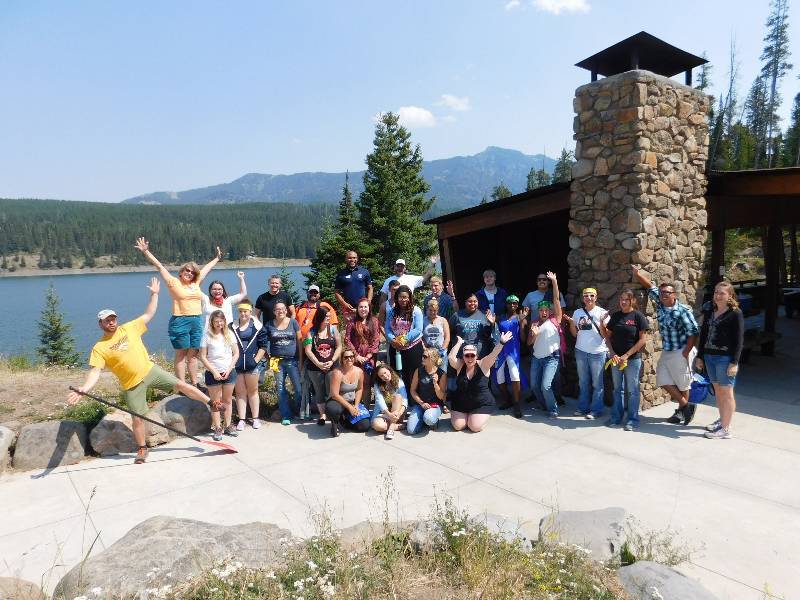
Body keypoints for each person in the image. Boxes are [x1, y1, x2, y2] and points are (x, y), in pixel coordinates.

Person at [67, 277, 211, 464]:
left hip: (150, 371)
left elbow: (149, 313)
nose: (111, 322)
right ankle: (142, 448)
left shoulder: (129, 328)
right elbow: (95, 371)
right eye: (106, 321)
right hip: (132, 385)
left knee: (181, 384)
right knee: (138, 418)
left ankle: (212, 403)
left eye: (113, 319)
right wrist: (85, 388)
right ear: (100, 324)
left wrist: (154, 294)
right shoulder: (99, 347)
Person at [134, 237, 221, 386]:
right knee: (181, 354)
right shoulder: (173, 282)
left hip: (196, 321)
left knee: (193, 355)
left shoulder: (196, 283)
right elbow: (159, 266)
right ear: (181, 272)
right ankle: (182, 385)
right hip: (180, 320)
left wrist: (217, 258)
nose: (190, 273)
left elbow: (206, 269)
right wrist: (146, 251)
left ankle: (194, 383)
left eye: (193, 272)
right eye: (187, 270)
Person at [632, 266, 699, 425]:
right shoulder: (661, 302)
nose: (663, 295)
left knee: (682, 383)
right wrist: (637, 274)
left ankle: (681, 414)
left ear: (674, 294)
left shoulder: (683, 311)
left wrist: (686, 351)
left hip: (681, 350)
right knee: (662, 379)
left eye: (667, 293)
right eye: (662, 293)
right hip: (668, 349)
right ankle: (686, 406)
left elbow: (693, 332)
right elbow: (650, 286)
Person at [696, 281, 744, 440]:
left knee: (727, 393)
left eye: (722, 293)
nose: (718, 295)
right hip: (709, 357)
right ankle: (722, 420)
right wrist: (700, 356)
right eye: (716, 292)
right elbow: (703, 336)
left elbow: (739, 340)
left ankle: (725, 429)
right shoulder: (710, 310)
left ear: (730, 295)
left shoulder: (735, 313)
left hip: (725, 358)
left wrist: (734, 362)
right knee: (718, 392)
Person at [601, 290, 649, 431]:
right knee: (617, 389)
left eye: (626, 300)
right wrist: (613, 353)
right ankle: (616, 417)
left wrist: (626, 355)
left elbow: (642, 341)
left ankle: (632, 419)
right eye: (621, 299)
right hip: (616, 359)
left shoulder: (638, 317)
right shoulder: (616, 316)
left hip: (632, 360)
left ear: (632, 300)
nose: (623, 302)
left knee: (632, 390)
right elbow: (607, 336)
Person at [448, 330, 514, 432]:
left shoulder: (483, 364)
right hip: (461, 403)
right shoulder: (460, 365)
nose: (469, 358)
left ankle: (476, 417)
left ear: (476, 356)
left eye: (472, 355)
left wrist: (501, 343)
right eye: (467, 355)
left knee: (474, 427)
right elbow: (451, 357)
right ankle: (468, 415)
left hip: (481, 404)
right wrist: (459, 343)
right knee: (458, 426)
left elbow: (493, 355)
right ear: (463, 357)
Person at [296, 284, 340, 416]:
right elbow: (296, 327)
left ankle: (332, 410)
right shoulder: (300, 308)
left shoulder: (325, 307)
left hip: (326, 351)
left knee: (330, 386)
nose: (313, 295)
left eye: (316, 293)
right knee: (309, 381)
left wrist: (332, 360)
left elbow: (337, 339)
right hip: (305, 348)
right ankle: (310, 410)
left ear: (319, 294)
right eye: (311, 292)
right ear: (307, 293)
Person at [527, 272, 565, 418]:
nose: (543, 312)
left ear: (549, 311)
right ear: (538, 311)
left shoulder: (556, 320)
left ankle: (553, 409)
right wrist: (533, 335)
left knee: (545, 386)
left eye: (546, 310)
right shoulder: (534, 324)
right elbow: (529, 343)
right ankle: (544, 405)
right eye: (541, 310)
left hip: (551, 358)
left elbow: (556, 299)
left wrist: (554, 281)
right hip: (537, 357)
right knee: (535, 386)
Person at [569, 287, 609, 420]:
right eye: (586, 296)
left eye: (591, 295)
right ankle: (583, 408)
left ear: (596, 297)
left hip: (598, 352)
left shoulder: (602, 313)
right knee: (583, 382)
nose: (589, 298)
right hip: (580, 351)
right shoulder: (577, 312)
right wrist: (570, 323)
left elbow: (606, 335)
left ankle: (596, 410)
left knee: (597, 384)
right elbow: (574, 333)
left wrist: (603, 322)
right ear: (583, 298)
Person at [199, 310, 240, 440]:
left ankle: (228, 426)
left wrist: (230, 368)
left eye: (221, 321)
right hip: (213, 373)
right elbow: (203, 357)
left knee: (227, 400)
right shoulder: (207, 336)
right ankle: (217, 427)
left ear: (224, 321)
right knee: (216, 402)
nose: (219, 324)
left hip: (229, 372)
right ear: (211, 322)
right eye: (216, 321)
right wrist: (214, 371)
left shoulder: (230, 334)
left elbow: (236, 353)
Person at [230, 298, 267, 430]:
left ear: (250, 311)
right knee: (240, 393)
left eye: (245, 311)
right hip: (238, 365)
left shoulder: (258, 327)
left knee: (253, 391)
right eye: (240, 311)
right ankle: (242, 419)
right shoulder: (232, 327)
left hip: (253, 365)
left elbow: (263, 346)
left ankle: (256, 418)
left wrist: (255, 360)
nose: (243, 314)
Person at [265, 301, 303, 425]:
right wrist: (268, 358)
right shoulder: (269, 324)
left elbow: (300, 341)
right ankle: (286, 415)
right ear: (274, 312)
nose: (280, 311)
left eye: (282, 309)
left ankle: (298, 411)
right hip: (276, 360)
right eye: (277, 309)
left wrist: (301, 360)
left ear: (286, 310)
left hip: (292, 359)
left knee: (298, 388)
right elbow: (263, 343)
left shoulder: (293, 322)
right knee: (280, 388)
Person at [304, 306, 341, 425]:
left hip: (332, 366)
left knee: (332, 391)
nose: (328, 320)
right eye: (326, 318)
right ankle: (322, 415)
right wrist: (318, 364)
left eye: (329, 317)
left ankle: (333, 412)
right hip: (315, 368)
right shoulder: (311, 332)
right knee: (319, 391)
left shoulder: (334, 330)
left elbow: (339, 346)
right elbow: (308, 350)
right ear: (320, 317)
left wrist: (333, 360)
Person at [385, 285, 424, 393]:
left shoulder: (416, 311)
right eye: (401, 297)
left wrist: (403, 340)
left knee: (412, 375)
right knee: (396, 375)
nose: (403, 299)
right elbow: (387, 328)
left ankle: (414, 401)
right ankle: (400, 400)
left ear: (409, 297)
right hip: (395, 347)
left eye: (405, 297)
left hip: (413, 348)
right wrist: (393, 340)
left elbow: (418, 329)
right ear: (397, 298)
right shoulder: (392, 312)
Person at [495, 295, 529, 419]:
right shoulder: (499, 318)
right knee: (499, 377)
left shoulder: (521, 318)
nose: (512, 305)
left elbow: (523, 339)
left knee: (515, 375)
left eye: (515, 303)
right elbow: (493, 333)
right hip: (500, 350)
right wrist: (490, 322)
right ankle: (507, 399)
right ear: (506, 304)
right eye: (510, 303)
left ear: (517, 304)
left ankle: (516, 404)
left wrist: (521, 322)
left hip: (513, 351)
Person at [325, 349, 370, 437]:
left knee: (365, 426)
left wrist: (356, 405)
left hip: (352, 401)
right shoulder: (337, 372)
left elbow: (359, 389)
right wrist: (350, 407)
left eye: (351, 357)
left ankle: (345, 422)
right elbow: (334, 394)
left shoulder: (359, 371)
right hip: (338, 401)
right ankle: (335, 423)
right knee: (333, 409)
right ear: (341, 359)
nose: (349, 359)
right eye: (346, 357)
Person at [407, 347, 447, 434]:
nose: (422, 358)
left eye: (425, 356)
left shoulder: (441, 374)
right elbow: (412, 390)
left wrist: (435, 383)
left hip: (435, 405)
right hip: (421, 405)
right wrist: (421, 403)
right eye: (423, 356)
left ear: (432, 359)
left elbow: (442, 396)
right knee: (411, 430)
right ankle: (424, 419)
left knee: (429, 418)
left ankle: (431, 420)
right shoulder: (418, 371)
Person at [344, 297, 380, 392]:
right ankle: (355, 405)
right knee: (355, 383)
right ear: (357, 308)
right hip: (355, 357)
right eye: (361, 307)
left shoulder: (374, 321)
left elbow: (376, 339)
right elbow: (347, 340)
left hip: (369, 357)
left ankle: (367, 406)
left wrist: (368, 356)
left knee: (367, 383)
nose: (363, 309)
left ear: (369, 308)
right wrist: (356, 356)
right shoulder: (352, 322)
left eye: (365, 307)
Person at [449, 293, 496, 358]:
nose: (473, 303)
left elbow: (489, 335)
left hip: (480, 355)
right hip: (462, 355)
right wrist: (456, 342)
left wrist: (492, 324)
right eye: (470, 301)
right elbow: (450, 333)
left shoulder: (484, 315)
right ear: (465, 302)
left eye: (475, 301)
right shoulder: (457, 315)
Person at [370, 363, 408, 440]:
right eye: (381, 376)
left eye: (385, 372)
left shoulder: (399, 381)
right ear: (379, 378)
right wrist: (389, 415)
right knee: (376, 425)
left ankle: (391, 428)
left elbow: (404, 400)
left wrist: (399, 413)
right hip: (385, 413)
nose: (385, 376)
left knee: (398, 396)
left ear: (389, 370)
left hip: (398, 412)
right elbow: (380, 401)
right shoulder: (377, 385)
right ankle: (397, 426)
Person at [334, 250, 373, 319]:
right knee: (349, 329)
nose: (352, 260)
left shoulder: (364, 272)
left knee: (364, 328)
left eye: (354, 258)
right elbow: (337, 292)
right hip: (348, 309)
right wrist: (344, 304)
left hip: (363, 307)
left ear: (357, 259)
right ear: (346, 259)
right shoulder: (341, 274)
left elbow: (370, 288)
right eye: (350, 258)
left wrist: (368, 302)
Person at [422, 296, 450, 364]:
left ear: (438, 310)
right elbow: (420, 337)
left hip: (441, 352)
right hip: (428, 352)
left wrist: (442, 350)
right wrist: (425, 349)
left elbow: (447, 338)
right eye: (430, 310)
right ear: (427, 309)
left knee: (442, 373)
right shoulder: (422, 321)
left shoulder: (443, 320)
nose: (432, 312)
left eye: (434, 310)